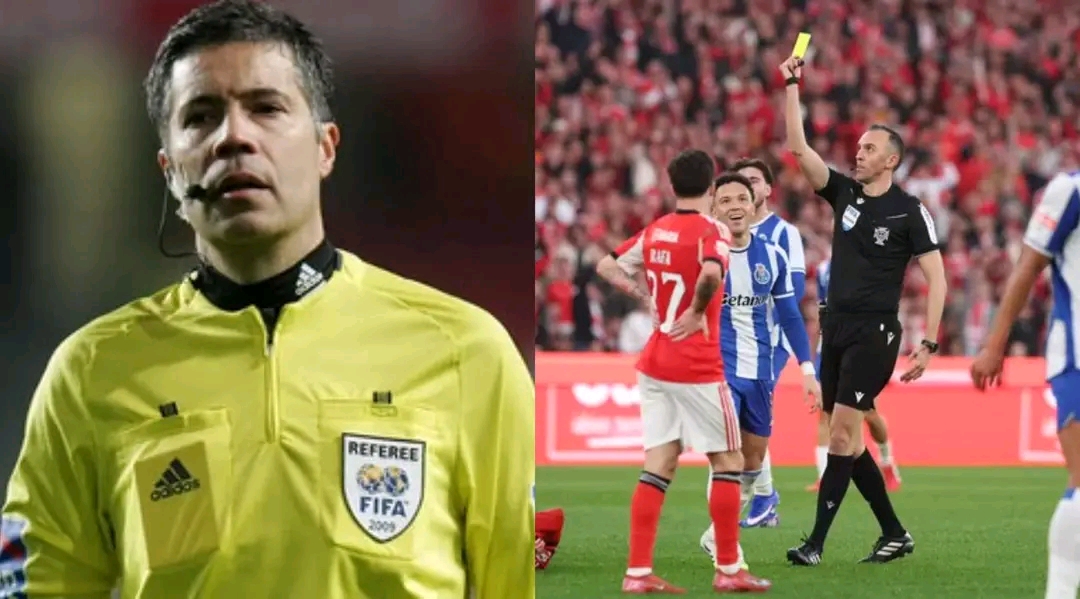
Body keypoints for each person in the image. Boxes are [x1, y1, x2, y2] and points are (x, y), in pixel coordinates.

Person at [0, 2, 534, 597]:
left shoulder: (465, 351)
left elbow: (520, 580)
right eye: (201, 117)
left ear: (326, 147)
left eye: (266, 108)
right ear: (169, 169)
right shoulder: (91, 374)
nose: (234, 137)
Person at [777, 54, 947, 566]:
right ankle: (894, 532)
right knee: (846, 441)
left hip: (876, 332)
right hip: (836, 328)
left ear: (891, 160)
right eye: (858, 148)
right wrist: (791, 86)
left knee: (844, 433)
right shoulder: (844, 193)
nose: (859, 153)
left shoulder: (910, 210)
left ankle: (815, 545)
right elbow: (798, 148)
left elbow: (937, 277)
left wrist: (930, 342)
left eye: (869, 149)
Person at [595, 149, 771, 593]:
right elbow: (712, 270)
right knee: (728, 460)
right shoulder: (711, 231)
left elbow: (606, 264)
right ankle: (730, 570)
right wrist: (694, 310)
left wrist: (645, 295)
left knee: (659, 462)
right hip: (695, 362)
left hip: (653, 362)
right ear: (711, 190)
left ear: (672, 187)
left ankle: (637, 572)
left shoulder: (656, 230)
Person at [698, 172, 821, 565]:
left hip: (760, 370)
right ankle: (726, 548)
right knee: (728, 457)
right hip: (717, 369)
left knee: (751, 463)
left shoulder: (773, 254)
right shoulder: (702, 254)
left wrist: (806, 370)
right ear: (714, 208)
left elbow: (789, 317)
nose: (734, 206)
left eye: (741, 199)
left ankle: (717, 533)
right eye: (726, 200)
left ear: (754, 206)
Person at [971, 171, 1080, 599]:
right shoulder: (1069, 189)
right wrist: (994, 344)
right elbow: (1029, 265)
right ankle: (1058, 591)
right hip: (1075, 354)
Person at [729, 157, 808, 528]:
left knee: (753, 419)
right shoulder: (724, 231)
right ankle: (764, 497)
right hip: (733, 341)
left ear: (766, 190)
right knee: (741, 423)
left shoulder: (783, 233)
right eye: (741, 181)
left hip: (771, 341)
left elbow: (796, 289)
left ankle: (763, 497)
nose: (747, 185)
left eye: (754, 180)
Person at [807, 259, 902, 493]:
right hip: (829, 347)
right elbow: (822, 309)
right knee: (825, 413)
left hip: (859, 346)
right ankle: (824, 476)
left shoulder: (868, 266)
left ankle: (887, 462)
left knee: (868, 413)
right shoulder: (823, 269)